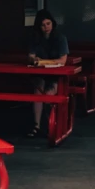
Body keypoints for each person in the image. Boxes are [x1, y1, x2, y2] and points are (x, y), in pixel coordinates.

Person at [27, 8, 69, 139]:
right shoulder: (36, 39)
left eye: (48, 24)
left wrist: (46, 61)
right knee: (37, 89)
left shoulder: (60, 38)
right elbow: (30, 56)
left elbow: (63, 60)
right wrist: (34, 60)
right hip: (41, 74)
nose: (46, 27)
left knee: (49, 94)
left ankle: (52, 125)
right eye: (43, 25)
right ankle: (37, 125)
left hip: (56, 75)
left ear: (52, 23)